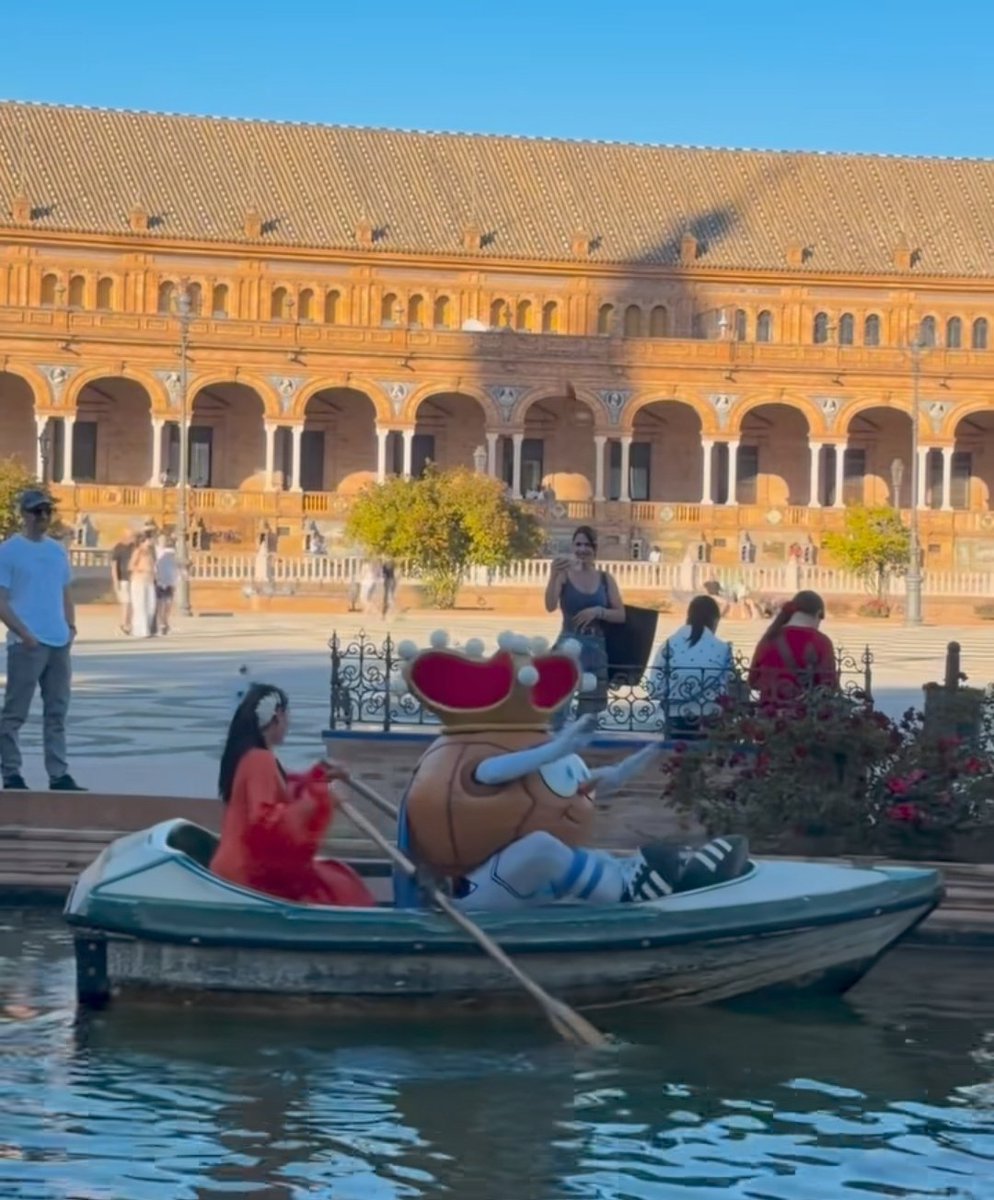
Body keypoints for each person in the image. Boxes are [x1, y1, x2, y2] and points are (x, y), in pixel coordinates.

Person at [210, 682, 376, 907]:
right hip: (246, 872)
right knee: (338, 886)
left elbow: (286, 789)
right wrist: (321, 799)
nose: (288, 723)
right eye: (287, 717)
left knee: (333, 881)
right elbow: (265, 819)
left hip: (241, 866)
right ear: (277, 716)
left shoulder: (253, 757)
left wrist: (321, 775)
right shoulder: (260, 760)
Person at [0, 489, 85, 791]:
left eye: (47, 511)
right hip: (28, 643)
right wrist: (24, 634)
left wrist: (71, 627)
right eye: (37, 511)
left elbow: (65, 592)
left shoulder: (56, 551)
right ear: (24, 514)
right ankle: (11, 771)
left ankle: (58, 773)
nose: (44, 517)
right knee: (15, 712)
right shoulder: (9, 551)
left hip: (58, 641)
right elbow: (1, 600)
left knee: (57, 711)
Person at [544, 526, 625, 721]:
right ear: (573, 546)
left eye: (587, 545)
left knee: (589, 715)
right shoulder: (564, 574)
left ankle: (583, 740)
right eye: (578, 544)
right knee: (558, 707)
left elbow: (621, 615)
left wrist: (598, 611)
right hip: (569, 644)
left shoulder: (605, 579)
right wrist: (553, 575)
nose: (582, 549)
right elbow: (550, 606)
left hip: (596, 647)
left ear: (595, 548)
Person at [647, 595, 734, 738]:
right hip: (710, 716)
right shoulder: (723, 648)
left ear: (688, 616)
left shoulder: (668, 645)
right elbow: (729, 685)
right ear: (715, 620)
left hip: (675, 717)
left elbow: (654, 688)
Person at [748, 589, 839, 706]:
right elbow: (829, 685)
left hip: (768, 712)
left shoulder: (769, 637)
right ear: (818, 614)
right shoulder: (821, 642)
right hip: (806, 713)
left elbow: (753, 681)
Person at [128, 531, 157, 638]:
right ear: (145, 540)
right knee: (140, 606)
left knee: (151, 605)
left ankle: (147, 628)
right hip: (139, 581)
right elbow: (131, 566)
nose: (152, 541)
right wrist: (142, 569)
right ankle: (141, 631)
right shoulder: (138, 551)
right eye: (150, 539)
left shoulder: (150, 552)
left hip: (149, 581)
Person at [109, 528, 134, 634]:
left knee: (132, 602)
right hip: (123, 579)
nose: (132, 538)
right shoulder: (118, 548)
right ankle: (124, 623)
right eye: (130, 536)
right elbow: (114, 566)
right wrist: (116, 581)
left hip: (133, 579)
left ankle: (129, 623)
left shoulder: (134, 547)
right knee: (126, 602)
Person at [154, 534, 178, 635]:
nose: (163, 541)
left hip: (169, 580)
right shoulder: (155, 551)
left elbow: (175, 565)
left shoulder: (171, 552)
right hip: (159, 580)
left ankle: (165, 620)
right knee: (160, 602)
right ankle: (161, 623)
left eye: (164, 539)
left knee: (168, 602)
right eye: (161, 539)